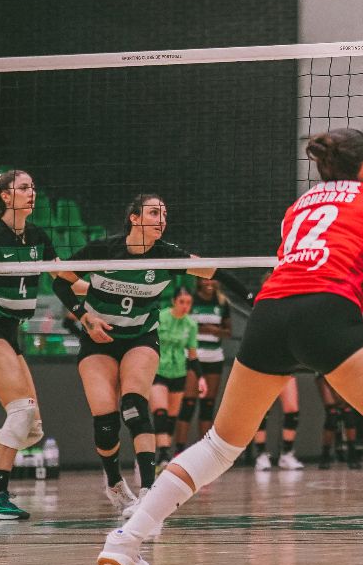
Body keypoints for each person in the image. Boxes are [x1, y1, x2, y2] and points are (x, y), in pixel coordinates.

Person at [99, 128, 363, 565]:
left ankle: (126, 541)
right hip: (326, 311)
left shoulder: (298, 207)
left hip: (269, 314)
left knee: (218, 446)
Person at [52, 193, 249, 516]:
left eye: (164, 214)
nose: (162, 220)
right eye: (154, 213)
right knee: (106, 422)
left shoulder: (167, 255)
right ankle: (115, 483)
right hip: (98, 341)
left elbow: (216, 272)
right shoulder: (103, 250)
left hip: (140, 338)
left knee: (134, 407)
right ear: (134, 218)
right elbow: (61, 284)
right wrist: (85, 317)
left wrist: (254, 298)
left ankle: (148, 491)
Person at [0, 170, 60, 521]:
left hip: (11, 331)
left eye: (32, 187)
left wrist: (106, 282)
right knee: (21, 410)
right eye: (22, 188)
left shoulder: (37, 236)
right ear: (5, 196)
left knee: (32, 428)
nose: (31, 192)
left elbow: (65, 277)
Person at [152, 287, 205, 467]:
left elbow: (193, 356)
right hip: (158, 370)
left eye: (188, 303)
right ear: (174, 301)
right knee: (160, 412)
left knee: (171, 418)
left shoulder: (191, 325)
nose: (185, 306)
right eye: (182, 302)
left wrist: (201, 378)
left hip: (179, 372)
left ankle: (161, 455)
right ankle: (163, 455)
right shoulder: (161, 317)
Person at [189, 276, 233, 444]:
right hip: (193, 356)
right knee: (188, 404)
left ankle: (205, 447)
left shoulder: (222, 302)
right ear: (199, 282)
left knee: (208, 404)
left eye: (212, 280)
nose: (209, 283)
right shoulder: (191, 300)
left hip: (214, 357)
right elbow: (185, 325)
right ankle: (178, 450)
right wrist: (203, 328)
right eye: (205, 280)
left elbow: (228, 332)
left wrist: (215, 331)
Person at [252, 378, 303, 471]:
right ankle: (261, 455)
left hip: (286, 372)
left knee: (292, 410)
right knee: (262, 410)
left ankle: (286, 454)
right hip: (265, 373)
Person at [316, 374, 362, 470]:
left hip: (344, 374)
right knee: (332, 414)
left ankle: (352, 453)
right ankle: (325, 455)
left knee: (348, 414)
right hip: (324, 374)